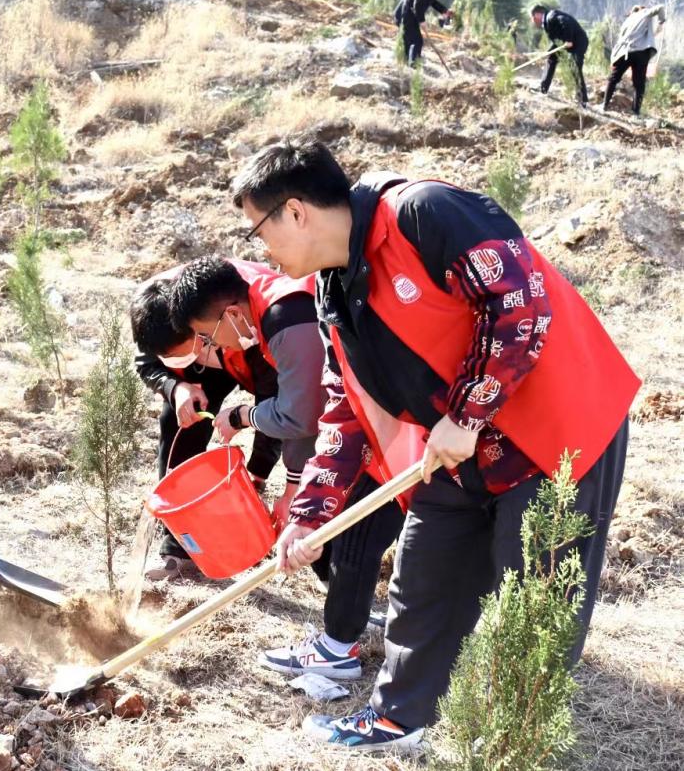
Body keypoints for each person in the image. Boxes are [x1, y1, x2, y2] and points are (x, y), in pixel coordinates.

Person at [230, 138, 637, 752]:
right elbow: (346, 406)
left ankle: (510, 744)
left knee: (533, 591)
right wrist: (308, 514)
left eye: (258, 230)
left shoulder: (423, 213)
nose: (261, 250)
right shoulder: (333, 292)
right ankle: (399, 720)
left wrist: (469, 413)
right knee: (421, 576)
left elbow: (521, 301)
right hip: (455, 447)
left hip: (556, 434)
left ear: (294, 211)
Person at [131, 257, 321, 578]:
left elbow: (284, 411)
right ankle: (179, 546)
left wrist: (257, 476)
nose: (170, 359)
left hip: (246, 353)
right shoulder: (154, 312)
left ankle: (257, 511)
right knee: (179, 422)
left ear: (197, 330)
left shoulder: (250, 326)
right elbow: (145, 361)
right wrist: (174, 386)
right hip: (203, 370)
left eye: (178, 353)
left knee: (269, 421)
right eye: (169, 357)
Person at [603, 3, 664, 116]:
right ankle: (635, 112)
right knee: (639, 84)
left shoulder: (628, 20)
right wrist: (661, 23)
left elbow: (620, 40)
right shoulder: (644, 12)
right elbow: (660, 7)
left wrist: (613, 57)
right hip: (641, 52)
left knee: (613, 79)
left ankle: (604, 106)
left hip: (624, 52)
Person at [532, 4, 590, 106]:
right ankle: (543, 88)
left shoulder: (551, 16)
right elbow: (556, 40)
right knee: (551, 58)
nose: (532, 21)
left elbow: (566, 22)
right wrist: (548, 52)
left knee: (574, 68)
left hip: (578, 43)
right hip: (565, 43)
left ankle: (582, 99)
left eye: (532, 17)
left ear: (537, 14)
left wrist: (568, 39)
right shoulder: (546, 22)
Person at [393, 0, 453, 67]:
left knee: (409, 40)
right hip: (405, 15)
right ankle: (413, 64)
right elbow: (417, 5)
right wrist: (422, 21)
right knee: (416, 40)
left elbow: (432, 1)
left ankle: (406, 61)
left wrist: (444, 10)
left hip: (407, 15)